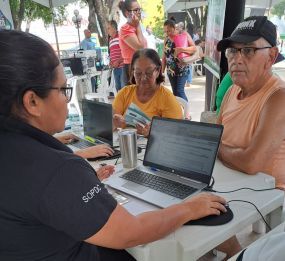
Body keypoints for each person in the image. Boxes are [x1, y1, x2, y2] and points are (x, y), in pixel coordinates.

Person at [0, 30, 227, 261]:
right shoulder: (58, 171)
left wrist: (81, 184)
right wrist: (189, 208)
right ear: (32, 101)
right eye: (63, 90)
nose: (67, 102)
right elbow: (130, 232)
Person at [216, 15, 285, 257]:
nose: (236, 59)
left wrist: (216, 147)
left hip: (267, 189)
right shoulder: (233, 91)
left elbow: (251, 162)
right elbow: (213, 135)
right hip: (235, 179)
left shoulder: (278, 97)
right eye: (232, 52)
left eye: (247, 50)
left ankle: (236, 252)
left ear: (271, 56)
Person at [113, 48, 183, 136]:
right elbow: (111, 123)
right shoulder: (124, 93)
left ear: (158, 71)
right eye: (138, 73)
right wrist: (115, 122)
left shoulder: (166, 98)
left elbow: (176, 131)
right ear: (133, 72)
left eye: (149, 72)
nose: (143, 78)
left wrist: (155, 132)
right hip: (126, 145)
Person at [162, 19, 196, 101]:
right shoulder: (166, 39)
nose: (167, 33)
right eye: (166, 31)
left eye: (169, 31)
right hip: (171, 71)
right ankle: (180, 112)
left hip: (182, 69)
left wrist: (182, 49)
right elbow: (164, 57)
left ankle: (186, 113)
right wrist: (162, 72)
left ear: (174, 28)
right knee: (175, 93)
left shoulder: (184, 35)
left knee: (179, 91)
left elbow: (194, 48)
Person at [118, 0, 147, 86]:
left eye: (140, 9)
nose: (139, 12)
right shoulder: (125, 29)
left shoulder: (135, 28)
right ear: (127, 13)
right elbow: (140, 48)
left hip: (140, 66)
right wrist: (137, 25)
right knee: (134, 98)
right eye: (136, 10)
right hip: (132, 68)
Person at [107, 20, 124, 91]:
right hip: (115, 68)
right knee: (118, 89)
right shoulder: (110, 40)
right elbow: (111, 53)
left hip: (123, 67)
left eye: (109, 28)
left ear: (114, 28)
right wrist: (111, 61)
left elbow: (125, 52)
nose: (107, 30)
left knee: (124, 89)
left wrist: (118, 61)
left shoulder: (121, 36)